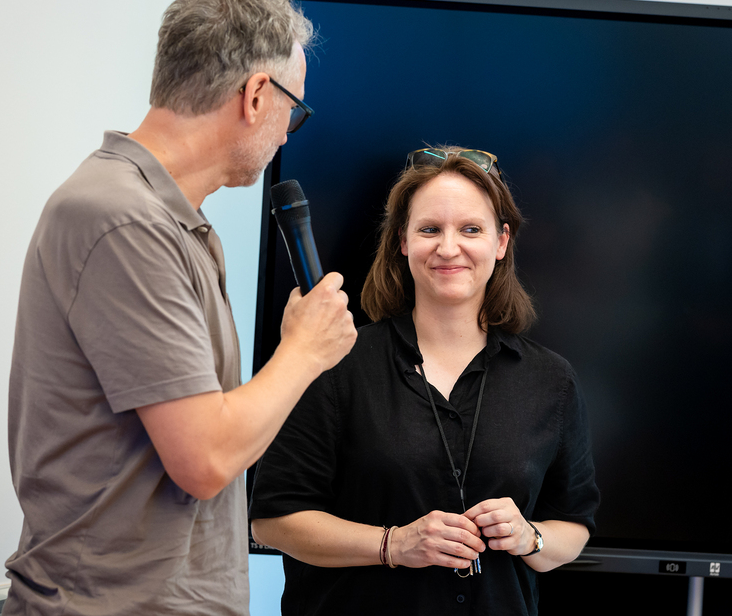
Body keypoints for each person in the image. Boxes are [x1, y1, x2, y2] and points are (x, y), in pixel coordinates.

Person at [2, 0, 357, 616]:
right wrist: (305, 350)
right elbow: (207, 457)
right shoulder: (123, 220)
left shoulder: (174, 223)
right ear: (256, 95)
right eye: (293, 111)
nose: (286, 136)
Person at [249, 148, 600, 615]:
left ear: (501, 241)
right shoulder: (334, 363)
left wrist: (529, 536)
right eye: (430, 229)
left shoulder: (552, 381)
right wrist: (394, 544)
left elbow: (573, 525)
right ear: (402, 240)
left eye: (471, 229)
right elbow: (273, 520)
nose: (448, 248)